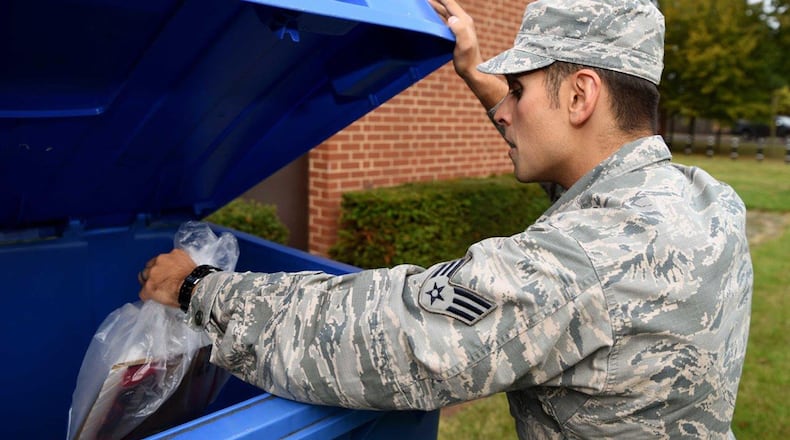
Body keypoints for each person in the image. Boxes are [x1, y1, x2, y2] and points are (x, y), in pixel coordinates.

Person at [139, 0, 753, 437]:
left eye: (519, 90)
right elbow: (594, 207)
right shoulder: (707, 203)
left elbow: (384, 337)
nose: (508, 108)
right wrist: (485, 83)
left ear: (579, 96)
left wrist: (199, 289)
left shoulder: (574, 268)